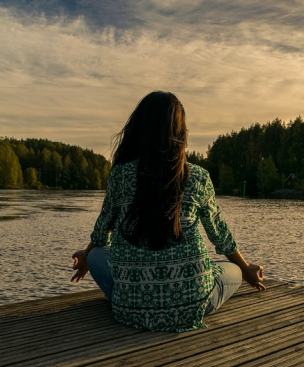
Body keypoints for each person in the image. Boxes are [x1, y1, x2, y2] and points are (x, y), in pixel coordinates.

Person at [70, 91, 265, 332]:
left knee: (98, 254)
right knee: (232, 269)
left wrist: (87, 254)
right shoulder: (198, 177)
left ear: (139, 129)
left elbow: (102, 231)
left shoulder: (120, 175)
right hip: (193, 305)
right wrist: (247, 270)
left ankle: (123, 294)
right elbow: (220, 235)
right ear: (180, 133)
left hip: (130, 309)